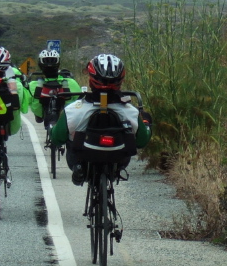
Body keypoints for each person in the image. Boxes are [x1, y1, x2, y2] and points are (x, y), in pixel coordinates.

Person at [49, 54, 152, 185]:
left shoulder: (73, 111)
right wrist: (147, 123)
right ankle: (117, 169)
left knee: (70, 140)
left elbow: (57, 138)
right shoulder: (131, 113)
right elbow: (142, 141)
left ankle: (78, 167)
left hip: (82, 155)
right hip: (118, 156)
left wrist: (53, 127)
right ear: (120, 80)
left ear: (91, 79)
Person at [27, 49, 82, 124]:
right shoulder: (71, 82)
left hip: (44, 115)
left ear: (40, 65)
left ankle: (39, 116)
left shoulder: (33, 85)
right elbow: (80, 100)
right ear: (58, 64)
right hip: (69, 118)